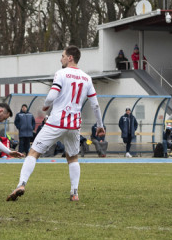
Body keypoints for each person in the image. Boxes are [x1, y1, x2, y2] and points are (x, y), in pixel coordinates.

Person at [6, 46, 103, 202]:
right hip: (74, 125)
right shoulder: (87, 78)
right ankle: (74, 193)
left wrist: (46, 105)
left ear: (70, 57)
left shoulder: (61, 73)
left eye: (63, 55)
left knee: (33, 153)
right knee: (73, 158)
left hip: (56, 122)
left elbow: (52, 95)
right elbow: (95, 105)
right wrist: (100, 125)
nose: (61, 58)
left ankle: (21, 184)